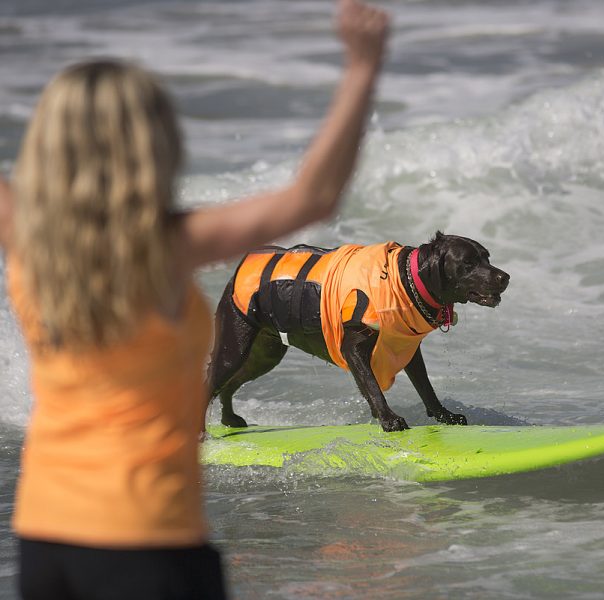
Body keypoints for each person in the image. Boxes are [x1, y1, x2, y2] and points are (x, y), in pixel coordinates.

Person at [0, 0, 389, 598]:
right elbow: (313, 195)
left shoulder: (28, 237)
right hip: (149, 536)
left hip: (45, 534)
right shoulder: (167, 245)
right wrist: (363, 64)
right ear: (154, 141)